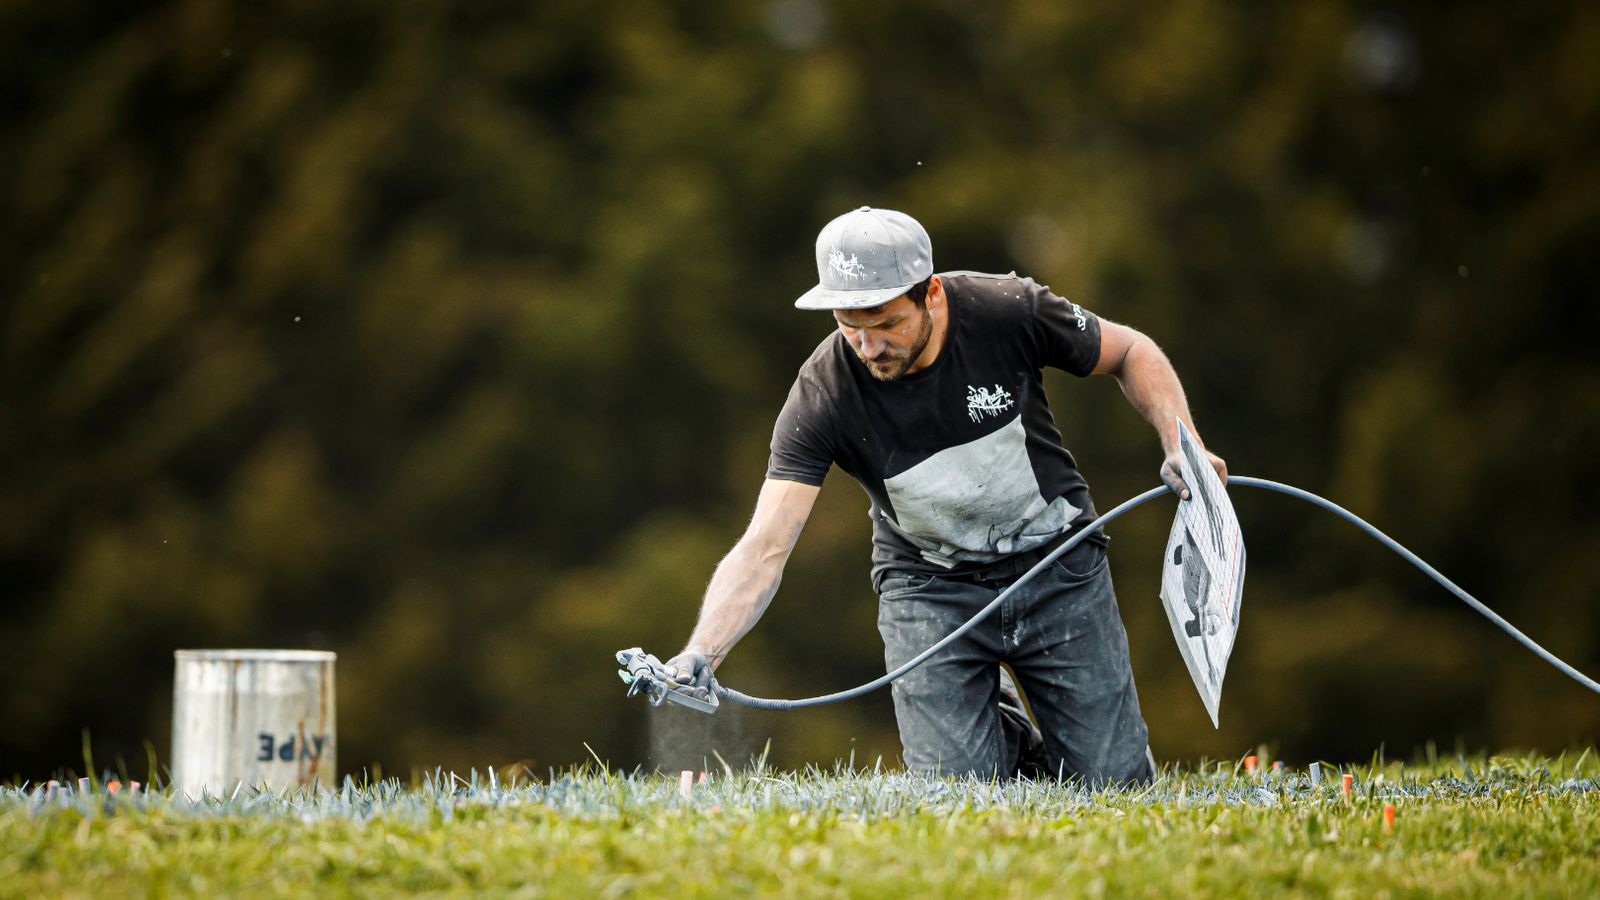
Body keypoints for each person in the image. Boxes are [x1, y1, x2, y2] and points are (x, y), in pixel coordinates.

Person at [664, 206, 1226, 782]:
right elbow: (765, 546)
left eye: (884, 322)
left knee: (1117, 785)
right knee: (953, 795)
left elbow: (1131, 351)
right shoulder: (823, 395)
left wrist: (1181, 441)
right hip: (929, 591)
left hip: (1057, 566)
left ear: (930, 293)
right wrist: (703, 651)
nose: (867, 344)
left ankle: (1027, 733)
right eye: (847, 323)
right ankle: (994, 727)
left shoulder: (1007, 311)